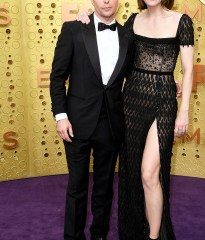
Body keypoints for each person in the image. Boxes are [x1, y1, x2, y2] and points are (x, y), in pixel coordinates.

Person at [77, 0, 194, 239]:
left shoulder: (181, 22)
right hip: (131, 101)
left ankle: (153, 236)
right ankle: (137, 228)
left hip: (163, 103)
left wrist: (184, 112)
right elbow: (120, 58)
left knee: (149, 173)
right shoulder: (133, 20)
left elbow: (188, 69)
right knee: (132, 172)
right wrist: (86, 16)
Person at [49, 0, 134, 239]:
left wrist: (170, 81)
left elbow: (137, 74)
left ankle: (99, 234)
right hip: (75, 123)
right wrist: (61, 116)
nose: (106, 0)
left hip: (111, 123)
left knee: (104, 186)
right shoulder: (74, 29)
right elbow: (57, 77)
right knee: (77, 187)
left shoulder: (128, 36)